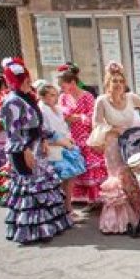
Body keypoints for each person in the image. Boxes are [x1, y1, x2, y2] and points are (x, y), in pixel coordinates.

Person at [0, 58, 72, 243]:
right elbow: (13, 131)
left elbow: (37, 125)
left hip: (37, 147)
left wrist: (47, 140)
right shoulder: (12, 101)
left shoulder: (27, 97)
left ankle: (48, 225)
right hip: (23, 150)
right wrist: (24, 150)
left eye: (27, 79)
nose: (27, 83)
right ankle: (31, 230)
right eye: (23, 80)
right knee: (30, 188)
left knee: (42, 186)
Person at [92, 67, 140, 235]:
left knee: (134, 177)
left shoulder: (131, 98)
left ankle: (139, 215)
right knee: (119, 179)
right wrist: (112, 129)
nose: (118, 84)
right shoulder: (102, 101)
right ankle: (120, 221)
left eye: (121, 81)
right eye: (114, 81)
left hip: (131, 142)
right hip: (113, 144)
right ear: (108, 83)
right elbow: (97, 124)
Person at [36, 79, 87, 217]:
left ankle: (68, 206)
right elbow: (45, 132)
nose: (54, 97)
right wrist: (61, 142)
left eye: (55, 94)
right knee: (57, 177)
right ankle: (57, 208)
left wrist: (68, 139)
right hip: (53, 145)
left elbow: (64, 127)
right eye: (50, 95)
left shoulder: (58, 109)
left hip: (65, 142)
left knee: (70, 176)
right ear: (42, 96)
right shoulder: (41, 110)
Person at [58, 67, 105, 205]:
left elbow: (92, 115)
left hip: (86, 135)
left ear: (72, 82)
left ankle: (94, 199)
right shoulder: (63, 97)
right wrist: (71, 118)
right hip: (71, 136)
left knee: (90, 165)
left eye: (63, 85)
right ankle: (80, 198)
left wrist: (77, 118)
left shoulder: (87, 96)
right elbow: (62, 115)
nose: (62, 88)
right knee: (76, 166)